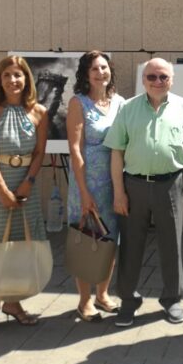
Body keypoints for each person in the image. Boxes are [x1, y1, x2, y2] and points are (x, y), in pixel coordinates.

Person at [104, 58, 183, 327]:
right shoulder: (128, 109)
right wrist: (119, 193)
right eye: (152, 77)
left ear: (172, 79)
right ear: (143, 80)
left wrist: (176, 166)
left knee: (171, 245)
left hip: (170, 185)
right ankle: (128, 301)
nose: (157, 82)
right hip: (134, 185)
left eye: (163, 77)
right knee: (130, 245)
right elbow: (117, 151)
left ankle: (172, 300)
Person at [0, 56, 49, 331]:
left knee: (20, 243)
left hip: (25, 184)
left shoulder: (39, 111)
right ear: (0, 80)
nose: (12, 80)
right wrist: (2, 190)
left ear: (26, 79)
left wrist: (29, 182)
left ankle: (13, 301)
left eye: (18, 75)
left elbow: (40, 151)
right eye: (7, 75)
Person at [66, 51, 124, 321]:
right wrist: (83, 191)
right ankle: (84, 300)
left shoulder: (121, 103)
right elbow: (75, 149)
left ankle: (103, 294)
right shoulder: (78, 103)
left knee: (110, 240)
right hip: (86, 181)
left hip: (114, 181)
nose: (100, 73)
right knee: (87, 239)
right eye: (94, 69)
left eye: (104, 67)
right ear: (85, 74)